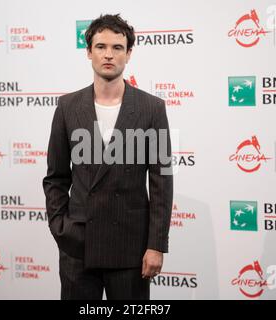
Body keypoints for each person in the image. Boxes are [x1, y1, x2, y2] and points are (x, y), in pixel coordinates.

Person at [43, 14, 173, 300]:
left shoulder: (152, 108)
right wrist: (60, 226)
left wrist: (156, 244)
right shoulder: (67, 107)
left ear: (128, 54)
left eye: (117, 47)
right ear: (89, 52)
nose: (108, 54)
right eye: (101, 47)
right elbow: (56, 177)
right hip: (78, 246)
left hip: (131, 248)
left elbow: (162, 181)